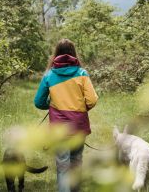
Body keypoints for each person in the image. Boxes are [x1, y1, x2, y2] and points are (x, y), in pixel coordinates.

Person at [34, 38, 98, 192]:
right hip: (78, 126)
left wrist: (51, 105)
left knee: (63, 167)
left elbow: (38, 102)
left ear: (56, 53)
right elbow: (92, 99)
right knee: (76, 163)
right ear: (73, 53)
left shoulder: (49, 75)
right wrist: (80, 110)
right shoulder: (82, 73)